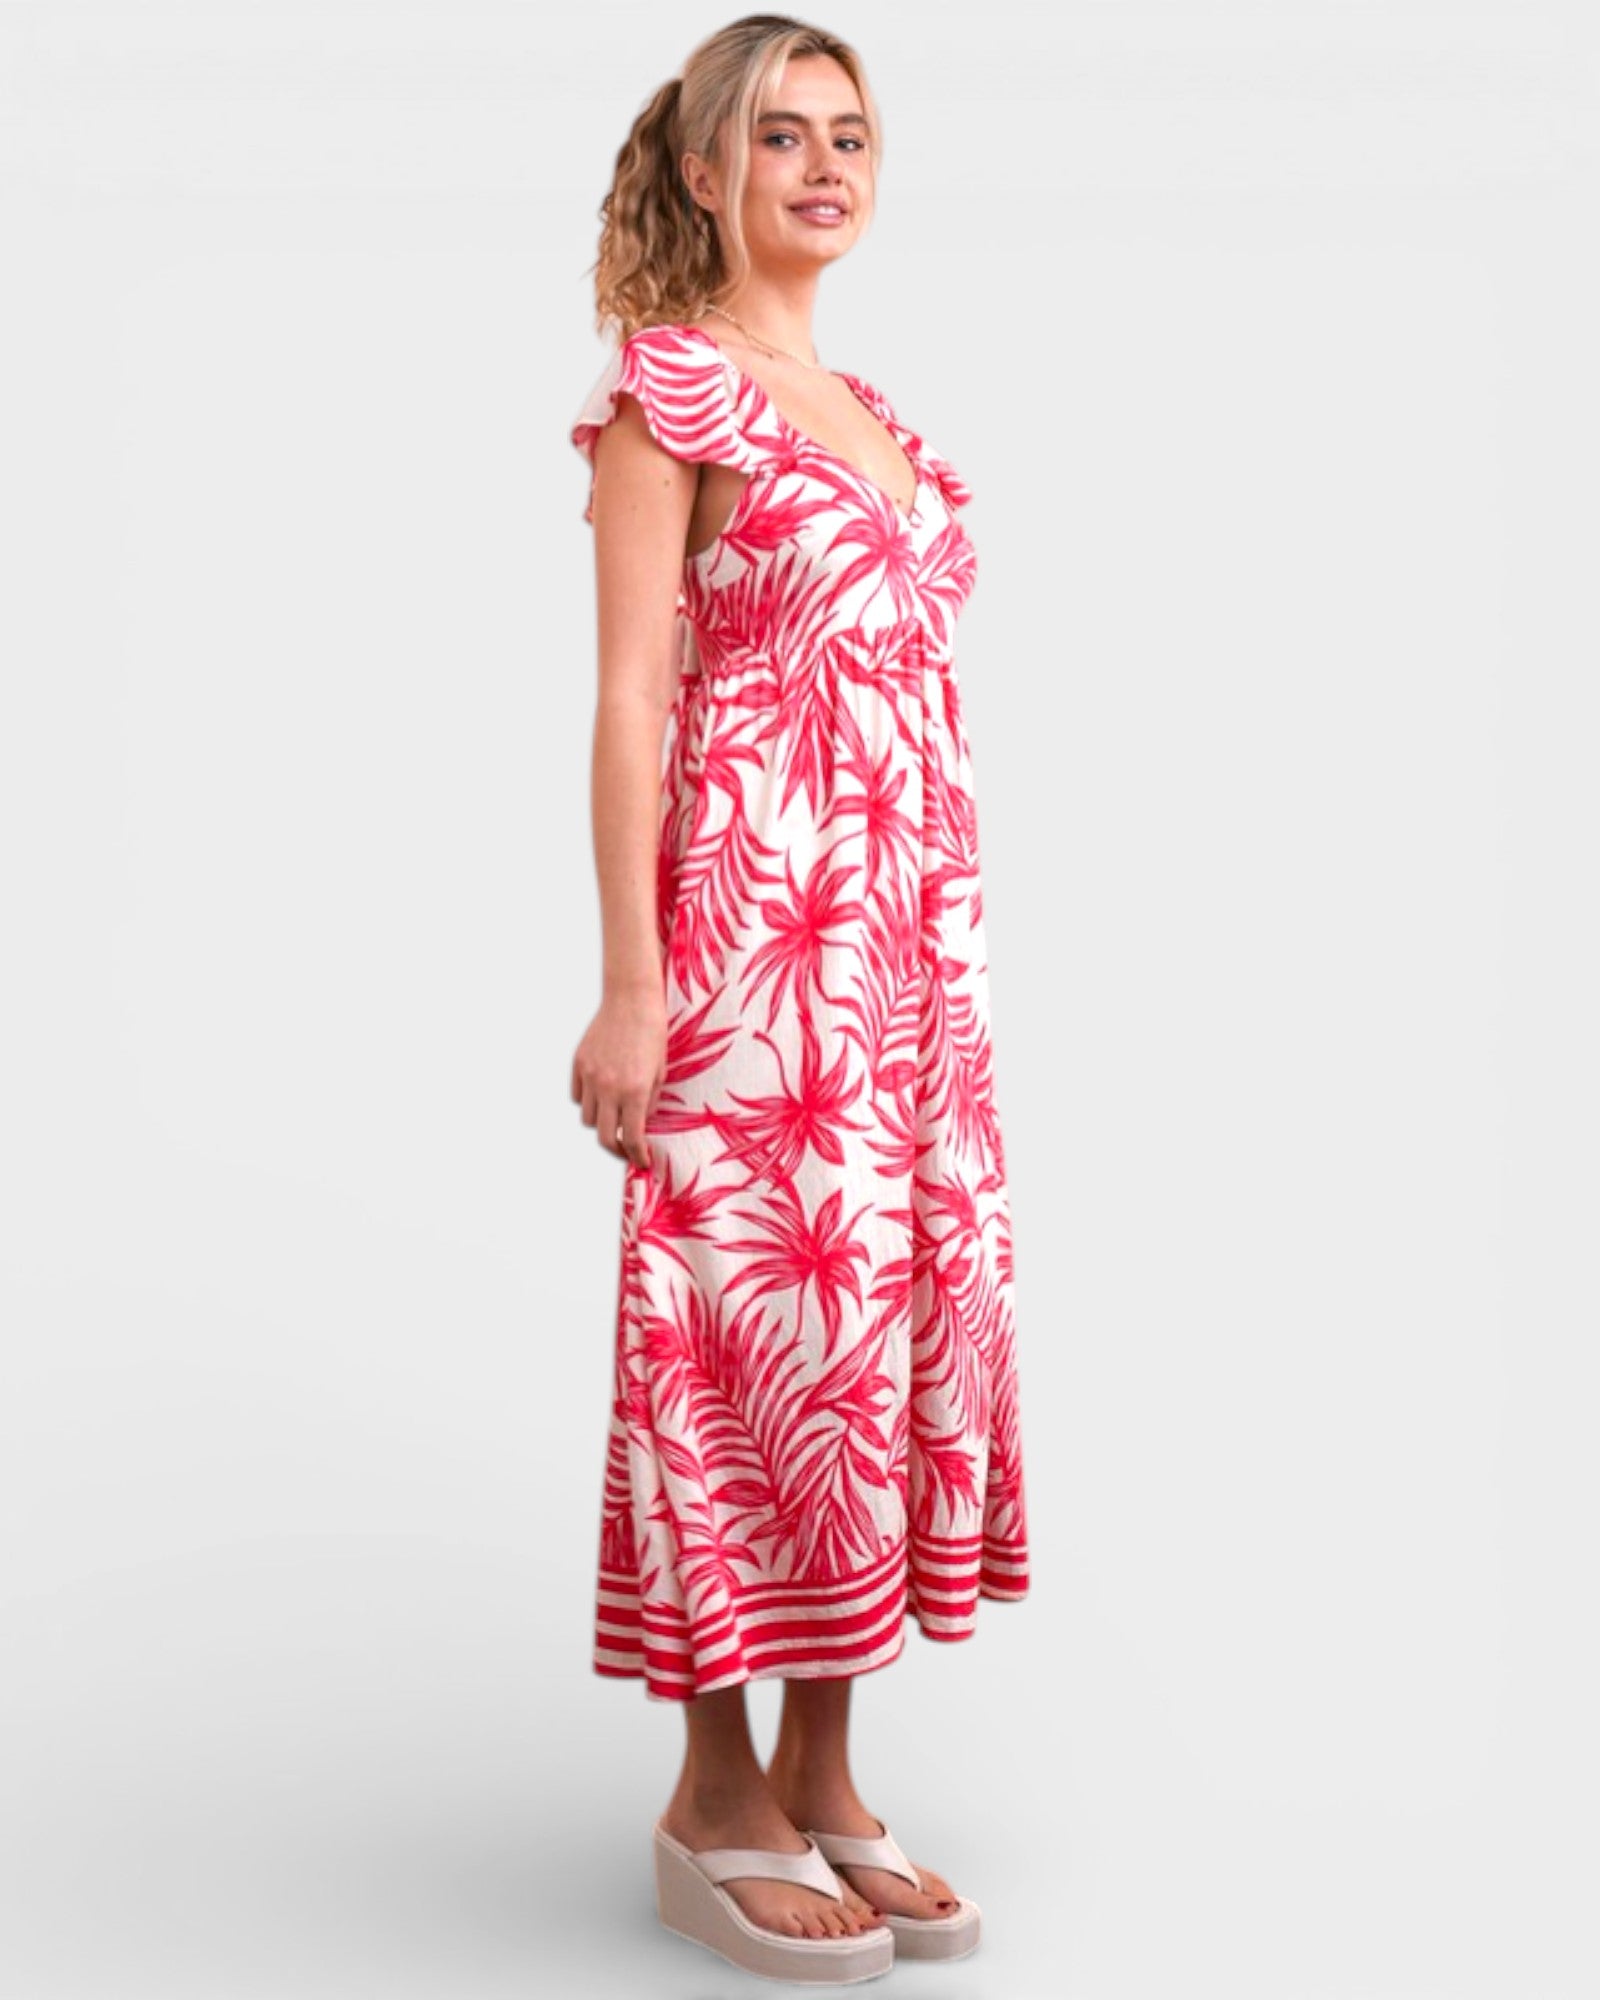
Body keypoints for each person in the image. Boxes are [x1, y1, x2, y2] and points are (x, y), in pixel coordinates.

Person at [567, 15, 1031, 1985]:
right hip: (756, 944)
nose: (824, 168)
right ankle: (710, 1792)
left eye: (850, 136)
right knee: (741, 1327)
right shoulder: (670, 393)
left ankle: (826, 1773)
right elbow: (628, 698)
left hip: (910, 957)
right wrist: (625, 980)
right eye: (781, 137)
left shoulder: (878, 420)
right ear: (702, 170)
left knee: (880, 1327)